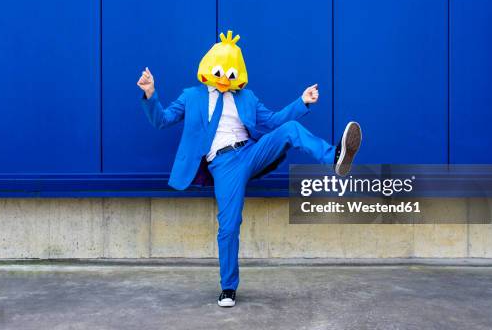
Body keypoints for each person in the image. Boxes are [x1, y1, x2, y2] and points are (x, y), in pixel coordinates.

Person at [138, 31, 362, 307]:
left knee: (290, 129)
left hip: (249, 152)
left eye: (231, 74)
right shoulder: (192, 97)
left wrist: (301, 102)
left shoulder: (247, 98)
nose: (224, 78)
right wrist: (150, 94)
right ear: (208, 67)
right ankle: (228, 287)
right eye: (220, 71)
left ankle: (334, 158)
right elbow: (162, 120)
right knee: (229, 226)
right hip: (223, 164)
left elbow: (274, 122)